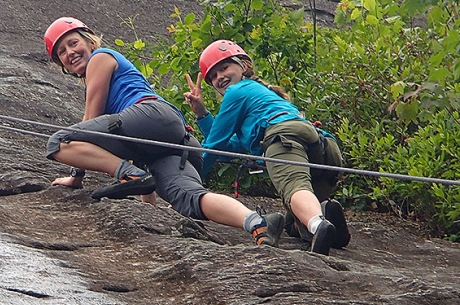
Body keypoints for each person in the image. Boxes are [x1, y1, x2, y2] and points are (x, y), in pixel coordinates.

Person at [43, 17, 284, 246]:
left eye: (73, 43)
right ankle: (257, 223)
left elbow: (90, 122)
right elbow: (142, 162)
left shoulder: (101, 57)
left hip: (151, 116)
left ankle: (128, 174)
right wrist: (148, 207)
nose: (69, 52)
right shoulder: (109, 76)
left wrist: (76, 176)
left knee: (59, 141)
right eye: (62, 52)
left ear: (89, 41)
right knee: (192, 198)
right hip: (176, 141)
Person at [183, 39, 351, 255]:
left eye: (223, 68)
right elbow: (229, 148)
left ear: (242, 66)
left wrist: (187, 188)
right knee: (294, 224)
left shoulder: (237, 92)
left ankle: (318, 223)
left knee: (294, 188)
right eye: (213, 76)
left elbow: (213, 148)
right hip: (322, 146)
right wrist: (202, 115)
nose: (219, 77)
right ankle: (324, 211)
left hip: (284, 140)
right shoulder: (260, 91)